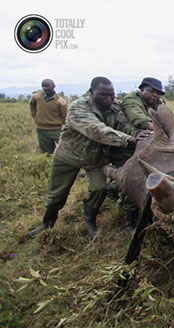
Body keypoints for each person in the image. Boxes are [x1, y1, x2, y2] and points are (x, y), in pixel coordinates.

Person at [25, 77, 149, 240]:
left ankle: (90, 220)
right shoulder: (79, 107)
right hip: (68, 157)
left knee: (99, 189)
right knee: (57, 194)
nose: (109, 99)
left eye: (112, 95)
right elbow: (96, 130)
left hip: (95, 159)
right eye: (104, 95)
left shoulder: (114, 106)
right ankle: (47, 223)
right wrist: (128, 139)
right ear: (92, 92)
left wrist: (138, 134)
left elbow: (124, 124)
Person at [115, 77, 165, 235]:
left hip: (149, 144)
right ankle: (130, 220)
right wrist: (158, 128)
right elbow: (138, 118)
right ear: (142, 89)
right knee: (132, 178)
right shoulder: (132, 100)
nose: (154, 95)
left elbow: (166, 119)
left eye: (158, 93)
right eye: (151, 91)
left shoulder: (158, 104)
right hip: (126, 144)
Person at [29, 78, 68, 154]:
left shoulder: (61, 102)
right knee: (46, 152)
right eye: (43, 86)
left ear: (53, 86)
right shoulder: (37, 97)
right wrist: (35, 117)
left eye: (47, 86)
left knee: (64, 150)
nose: (44, 88)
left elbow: (65, 116)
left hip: (56, 129)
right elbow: (32, 106)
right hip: (41, 129)